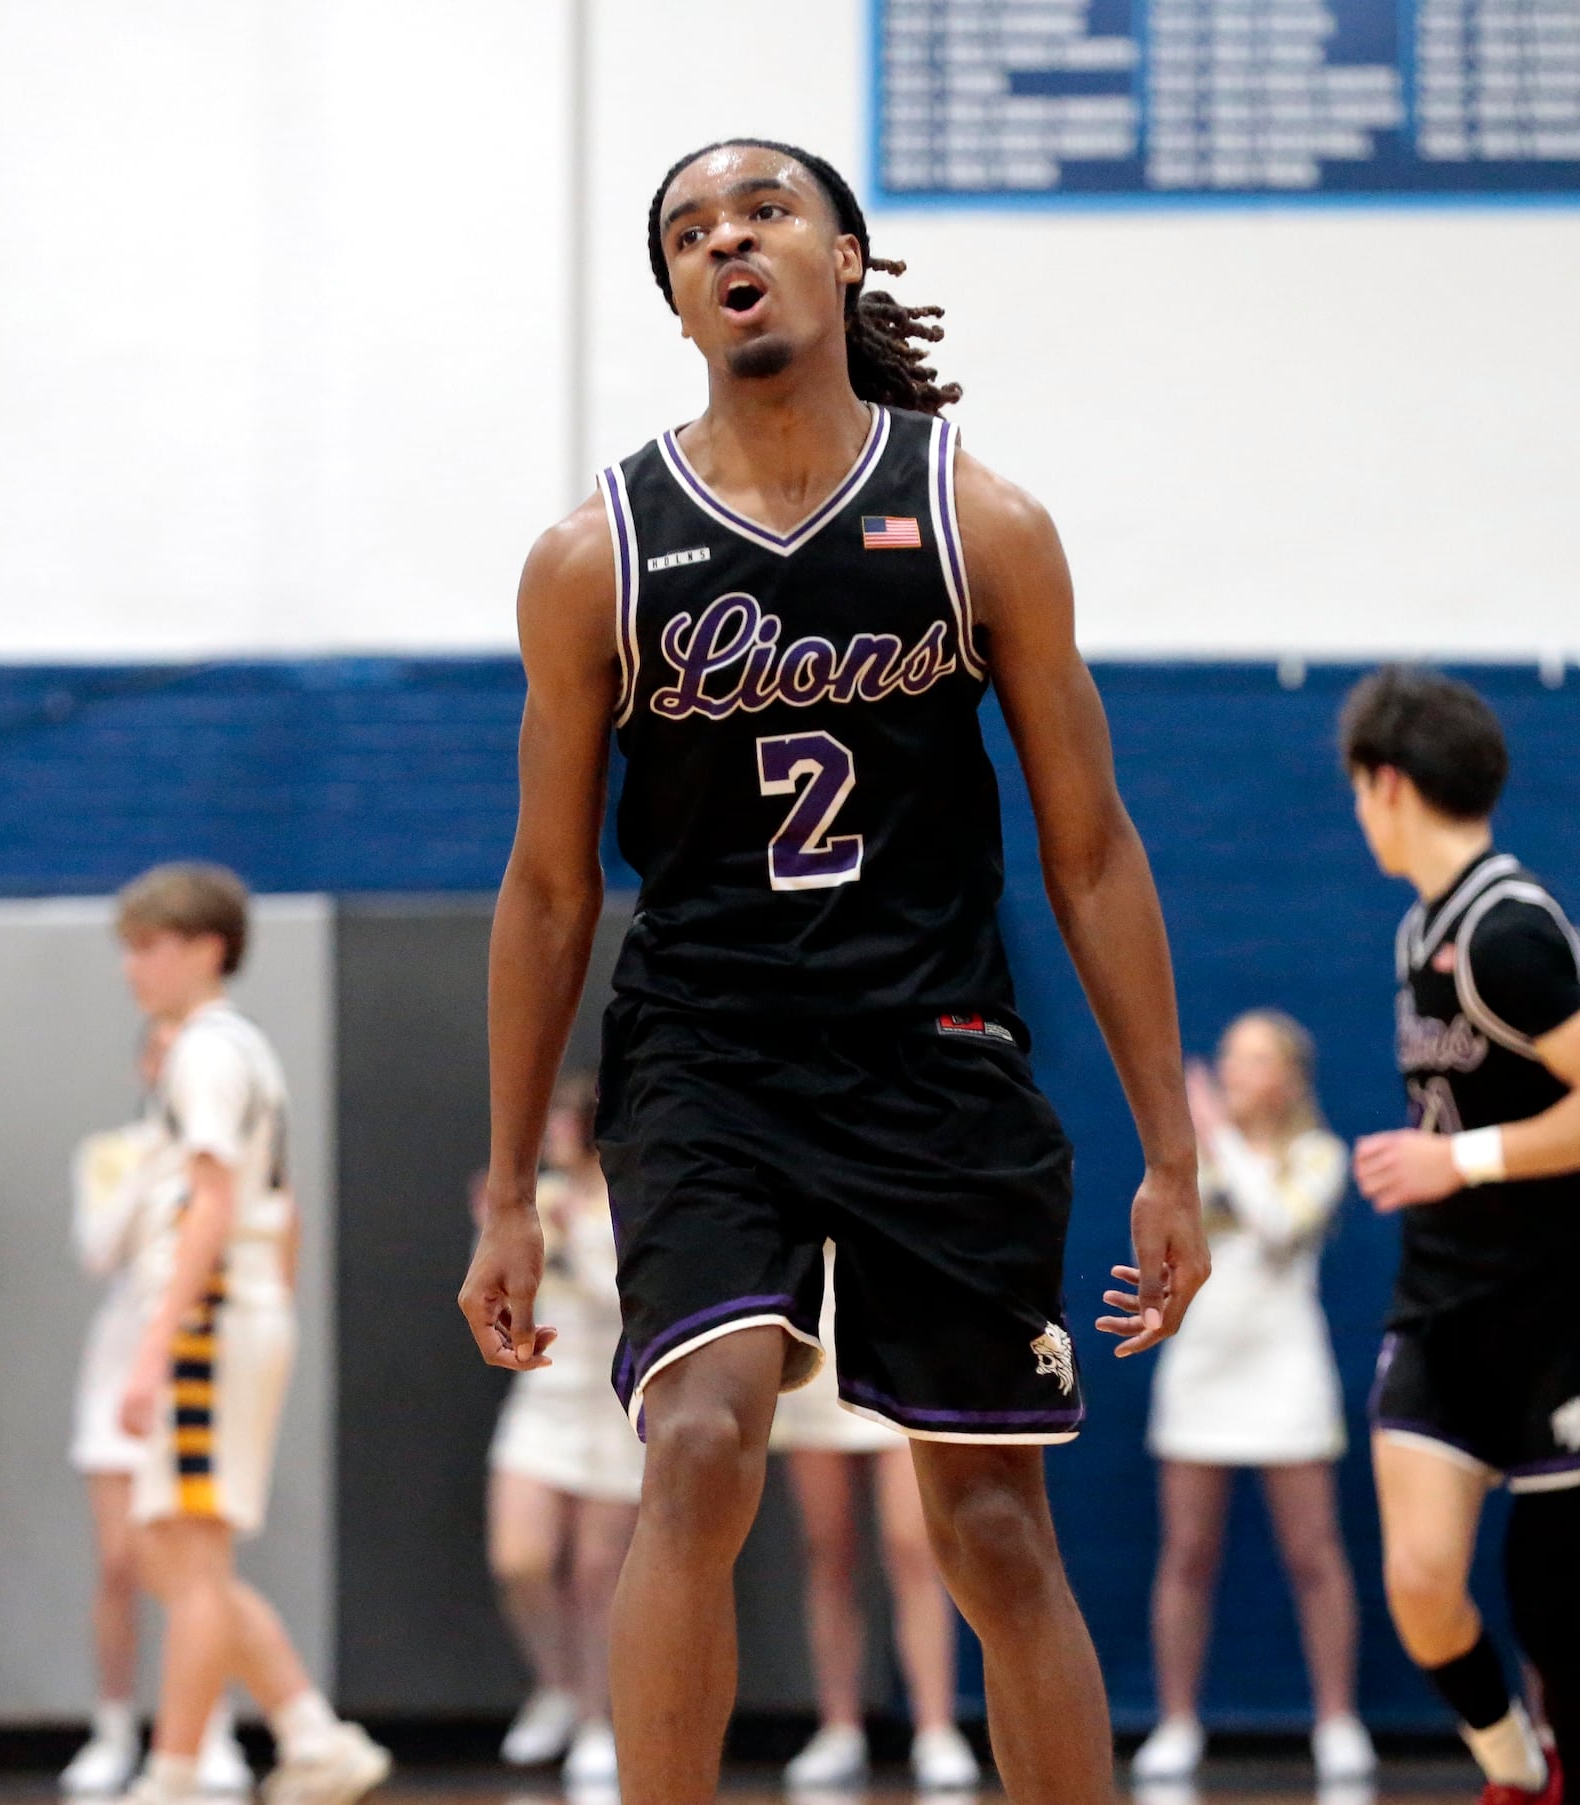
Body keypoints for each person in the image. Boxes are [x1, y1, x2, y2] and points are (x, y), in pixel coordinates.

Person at [459, 137, 1209, 1805]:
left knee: (996, 1528)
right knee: (703, 1443)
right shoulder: (598, 554)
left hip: (935, 1052)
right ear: (674, 300)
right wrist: (508, 1187)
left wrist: (1174, 1148)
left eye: (764, 211)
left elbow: (1090, 850)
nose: (726, 241)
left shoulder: (978, 519)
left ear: (847, 255)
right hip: (710, 1053)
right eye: (688, 233)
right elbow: (548, 889)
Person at [1342, 667, 1580, 1805]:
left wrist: (1460, 1159)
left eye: (1357, 790)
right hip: (1443, 1298)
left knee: (1553, 1603)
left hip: (1555, 1310)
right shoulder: (1415, 931)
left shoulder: (1509, 932)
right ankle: (1509, 1768)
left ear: (1385, 783)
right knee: (1422, 1580)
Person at [111, 863, 389, 1805]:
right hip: (235, 1311)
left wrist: (158, 1342)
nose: (131, 967)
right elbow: (286, 1205)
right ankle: (313, 1734)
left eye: (148, 945)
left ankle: (175, 1775)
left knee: (190, 1560)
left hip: (210, 1315)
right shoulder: (234, 1049)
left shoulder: (205, 1051)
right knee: (171, 1552)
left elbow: (217, 1202)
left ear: (206, 947)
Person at [1133, 1011, 1374, 1783]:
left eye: (1254, 1058)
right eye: (1230, 1056)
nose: (1233, 1071)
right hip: (1199, 1374)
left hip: (1287, 1377)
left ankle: (1337, 1721)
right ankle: (1176, 1722)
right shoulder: (1184, 1160)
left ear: (1290, 1076)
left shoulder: (1319, 1154)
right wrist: (1198, 1141)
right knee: (1187, 1554)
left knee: (1314, 1553)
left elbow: (1276, 1225)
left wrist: (1215, 1134)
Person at [63, 1018, 253, 1795]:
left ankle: (209, 1725)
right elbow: (98, 1249)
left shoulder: (229, 1152)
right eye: (162, 1050)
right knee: (123, 1560)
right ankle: (115, 1723)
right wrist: (156, 1161)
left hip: (203, 1355)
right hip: (121, 1364)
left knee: (198, 1559)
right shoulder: (112, 1152)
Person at [770, 1246, 981, 1792]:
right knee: (828, 1552)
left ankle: (935, 1729)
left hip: (900, 1341)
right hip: (816, 1349)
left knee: (912, 1548)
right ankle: (838, 1727)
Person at [484, 1077, 642, 1788]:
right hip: (545, 1395)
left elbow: (630, 1302)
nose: (552, 1134)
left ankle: (595, 1721)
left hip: (612, 1400)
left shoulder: (631, 1206)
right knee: (520, 1558)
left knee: (597, 1574)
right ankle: (556, 1685)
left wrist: (579, 1236)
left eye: (565, 1122)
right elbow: (505, 1297)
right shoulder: (535, 1201)